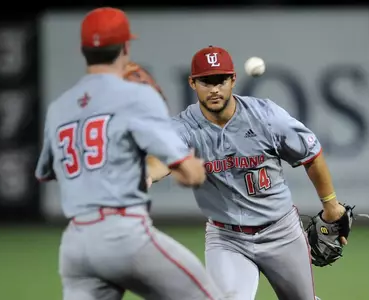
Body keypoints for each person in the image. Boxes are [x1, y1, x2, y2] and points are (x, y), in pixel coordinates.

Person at [35, 8, 227, 300]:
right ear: (125, 47)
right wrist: (195, 167)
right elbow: (189, 173)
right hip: (124, 235)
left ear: (83, 50)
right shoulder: (136, 95)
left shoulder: (59, 107)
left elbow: (45, 172)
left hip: (76, 244)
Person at [147, 45, 347, 300]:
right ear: (192, 83)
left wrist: (330, 204)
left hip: (281, 232)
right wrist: (147, 174)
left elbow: (311, 154)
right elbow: (162, 159)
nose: (215, 89)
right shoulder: (185, 126)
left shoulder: (266, 117)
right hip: (226, 237)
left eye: (220, 80)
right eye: (206, 82)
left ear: (233, 80)